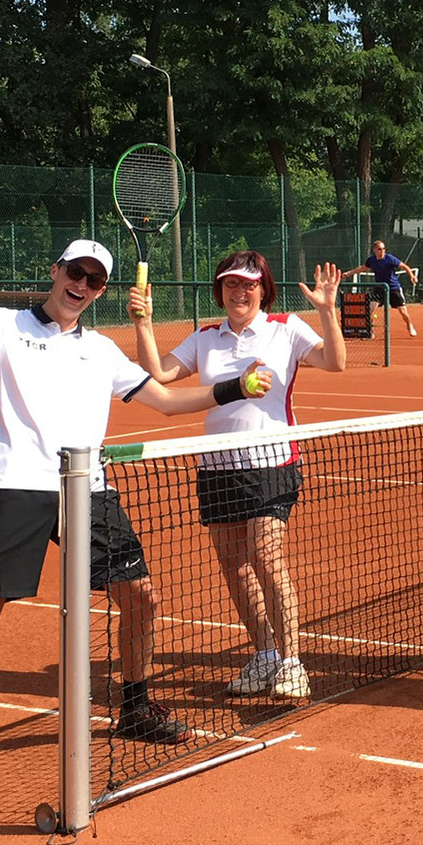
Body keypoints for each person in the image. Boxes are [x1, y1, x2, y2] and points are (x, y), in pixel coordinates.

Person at [0, 240, 275, 784]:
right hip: (15, 487)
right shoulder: (4, 324)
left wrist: (234, 387)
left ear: (99, 292)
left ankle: (135, 706)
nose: (83, 286)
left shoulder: (102, 351)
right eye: (76, 273)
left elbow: (165, 401)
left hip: (86, 488)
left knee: (140, 597)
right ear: (56, 271)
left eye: (95, 281)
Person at [128, 251, 346, 699]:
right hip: (216, 467)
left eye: (248, 285)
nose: (239, 292)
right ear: (221, 290)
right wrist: (143, 324)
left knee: (266, 558)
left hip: (272, 464)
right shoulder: (205, 337)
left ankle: (291, 662)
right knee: (235, 567)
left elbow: (334, 361)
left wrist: (327, 313)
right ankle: (265, 654)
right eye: (231, 284)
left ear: (263, 288)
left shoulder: (286, 328)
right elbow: (160, 374)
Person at [345, 239, 420, 338]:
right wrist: (349, 273)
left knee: (403, 312)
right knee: (369, 309)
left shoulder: (390, 258)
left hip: (394, 288)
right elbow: (362, 268)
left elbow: (404, 266)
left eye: (384, 249)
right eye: (380, 249)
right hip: (380, 289)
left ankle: (409, 325)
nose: (382, 251)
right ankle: (369, 331)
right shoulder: (371, 260)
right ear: (375, 250)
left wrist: (412, 276)